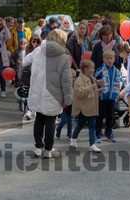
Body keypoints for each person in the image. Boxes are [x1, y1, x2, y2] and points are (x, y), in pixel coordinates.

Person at [24, 29, 73, 158]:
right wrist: (68, 98)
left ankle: (38, 147)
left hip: (37, 91)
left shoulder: (38, 51)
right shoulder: (63, 57)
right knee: (51, 120)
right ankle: (48, 149)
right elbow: (66, 80)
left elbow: (24, 63)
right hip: (54, 93)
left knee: (39, 119)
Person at [71, 60, 103, 152]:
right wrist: (92, 87)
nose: (93, 70)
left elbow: (91, 92)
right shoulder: (79, 80)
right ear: (85, 69)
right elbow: (80, 93)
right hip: (83, 107)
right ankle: (73, 138)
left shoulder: (92, 78)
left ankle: (92, 144)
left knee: (92, 125)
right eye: (91, 68)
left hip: (91, 107)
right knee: (81, 124)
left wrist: (98, 92)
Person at [94, 50, 122, 143]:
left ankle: (109, 133)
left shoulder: (117, 70)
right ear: (103, 59)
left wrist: (121, 84)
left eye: (111, 58)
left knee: (111, 116)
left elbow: (120, 79)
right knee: (100, 116)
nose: (109, 60)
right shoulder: (100, 70)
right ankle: (98, 133)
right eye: (107, 58)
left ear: (114, 59)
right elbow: (93, 78)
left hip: (112, 97)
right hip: (102, 97)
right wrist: (97, 82)